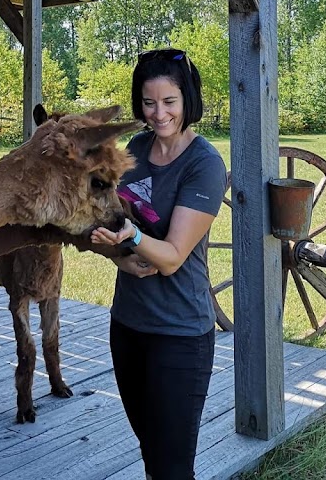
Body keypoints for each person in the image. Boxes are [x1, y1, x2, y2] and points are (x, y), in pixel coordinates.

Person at [90, 48, 228, 480]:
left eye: (169, 102)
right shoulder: (137, 147)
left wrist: (130, 239)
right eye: (149, 103)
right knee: (152, 455)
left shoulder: (204, 165)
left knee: (172, 469)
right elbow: (116, 219)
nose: (158, 113)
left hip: (179, 333)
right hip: (128, 324)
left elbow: (170, 258)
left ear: (188, 98)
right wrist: (117, 254)